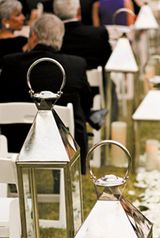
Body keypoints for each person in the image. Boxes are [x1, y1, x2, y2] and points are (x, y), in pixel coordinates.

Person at [0, 13, 93, 174]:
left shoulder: (10, 63)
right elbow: (87, 104)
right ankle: (64, 181)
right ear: (60, 38)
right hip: (63, 146)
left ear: (33, 35)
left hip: (18, 144)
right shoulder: (75, 65)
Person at [53, 0, 112, 70]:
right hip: (96, 79)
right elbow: (109, 62)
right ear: (79, 12)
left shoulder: (52, 39)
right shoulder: (99, 34)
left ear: (55, 13)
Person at [0, 0, 27, 68]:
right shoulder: (22, 41)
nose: (23, 18)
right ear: (5, 21)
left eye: (22, 14)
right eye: (18, 15)